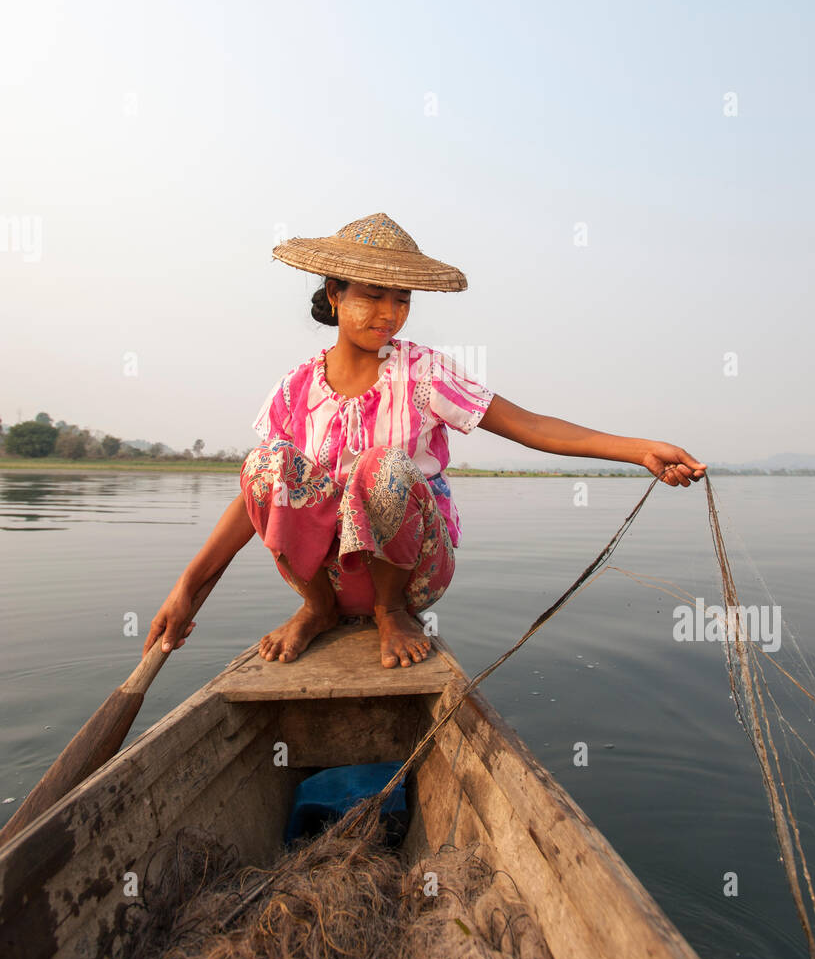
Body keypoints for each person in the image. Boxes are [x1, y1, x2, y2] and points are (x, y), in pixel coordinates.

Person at [142, 212, 706, 671]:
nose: (390, 314)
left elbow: (529, 426)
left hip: (413, 570)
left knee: (381, 466)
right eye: (373, 295)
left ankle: (390, 612)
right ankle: (317, 609)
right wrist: (187, 588)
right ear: (334, 296)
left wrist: (637, 449)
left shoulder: (426, 373)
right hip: (328, 573)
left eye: (402, 299)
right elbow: (256, 499)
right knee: (265, 463)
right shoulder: (293, 389)